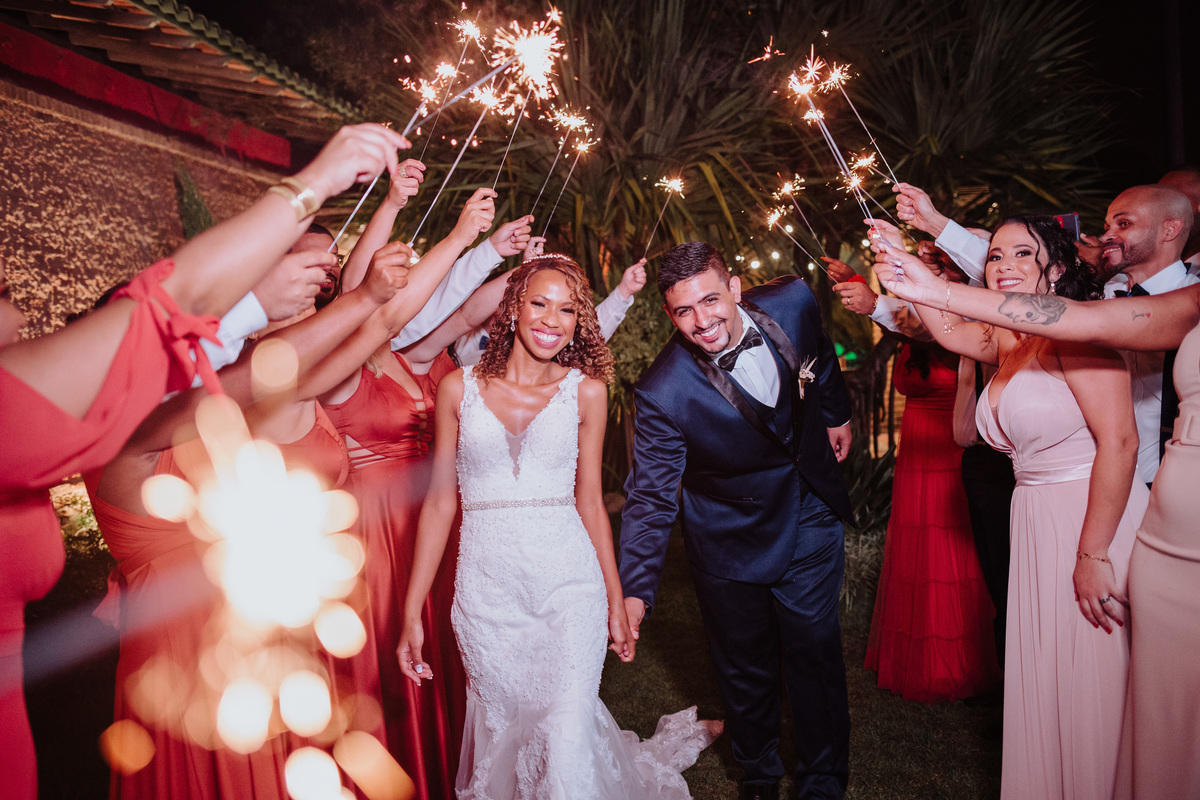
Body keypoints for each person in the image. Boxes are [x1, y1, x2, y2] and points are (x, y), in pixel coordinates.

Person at [0, 122, 407, 800]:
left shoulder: (174, 419)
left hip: (232, 657)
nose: (22, 322)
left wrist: (332, 299)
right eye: (8, 303)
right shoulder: (127, 438)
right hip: (176, 662)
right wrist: (314, 187)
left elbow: (250, 373)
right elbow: (180, 314)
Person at [872, 207, 1200, 799]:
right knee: (1048, 682)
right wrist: (900, 267)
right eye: (995, 255)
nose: (1003, 264)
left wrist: (1094, 553)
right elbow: (948, 330)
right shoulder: (1010, 342)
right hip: (1034, 522)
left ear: (1059, 265)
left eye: (1023, 252)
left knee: (1092, 687)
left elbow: (1121, 443)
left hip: (1087, 520)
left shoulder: (1082, 336)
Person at [396, 255, 720, 799]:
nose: (552, 319)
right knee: (507, 742)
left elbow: (591, 503)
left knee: (565, 746)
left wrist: (617, 599)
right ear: (512, 309)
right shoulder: (457, 389)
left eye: (568, 309)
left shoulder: (586, 391)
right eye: (540, 303)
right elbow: (437, 505)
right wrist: (411, 611)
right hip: (486, 596)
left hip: (570, 590)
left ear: (579, 321)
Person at [619, 242, 854, 800]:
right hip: (728, 538)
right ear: (669, 314)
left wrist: (835, 413)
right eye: (683, 312)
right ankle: (759, 773)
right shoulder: (662, 391)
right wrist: (635, 590)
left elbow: (820, 357)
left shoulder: (796, 299)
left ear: (736, 287)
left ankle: (823, 779)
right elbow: (651, 497)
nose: (702, 322)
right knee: (745, 668)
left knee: (813, 648)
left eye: (710, 301)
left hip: (807, 508)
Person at [321, 186, 533, 800]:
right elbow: (371, 298)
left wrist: (522, 276)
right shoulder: (338, 372)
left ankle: (447, 770)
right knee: (390, 653)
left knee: (447, 649)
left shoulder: (406, 356)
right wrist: (462, 236)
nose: (404, 291)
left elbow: (468, 315)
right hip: (375, 533)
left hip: (431, 525)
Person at [829, 254, 1001, 702]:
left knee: (956, 544)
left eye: (940, 263)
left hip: (952, 438)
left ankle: (966, 660)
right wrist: (852, 282)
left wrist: (871, 300)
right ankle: (918, 651)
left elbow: (921, 325)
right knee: (921, 544)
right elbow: (908, 322)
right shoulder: (921, 309)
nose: (933, 270)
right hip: (918, 443)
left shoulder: (972, 308)